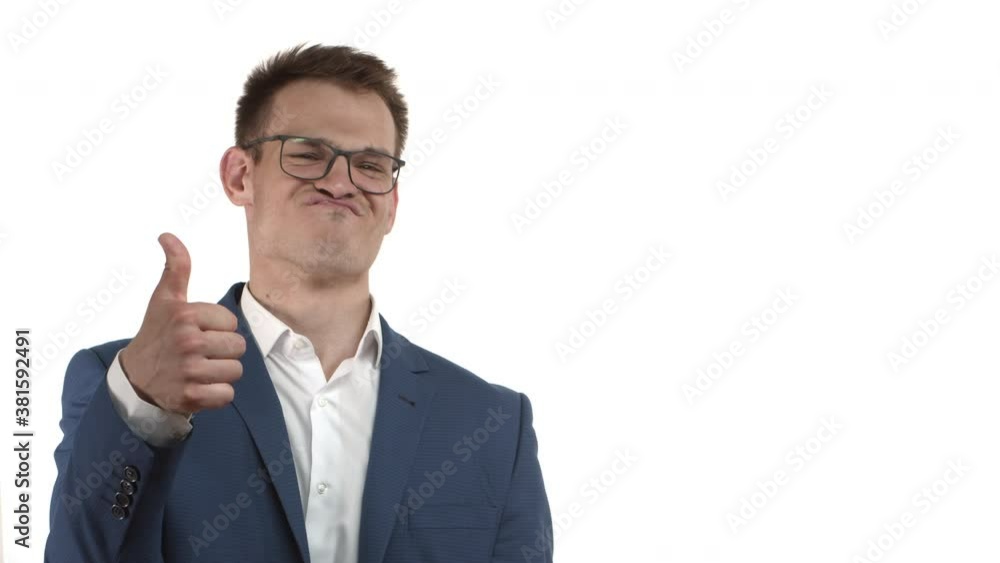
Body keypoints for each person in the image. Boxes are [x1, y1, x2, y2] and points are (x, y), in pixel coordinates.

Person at [44, 43, 552, 563]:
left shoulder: (493, 423)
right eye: (308, 154)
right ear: (240, 176)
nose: (341, 182)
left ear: (392, 203)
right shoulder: (124, 384)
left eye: (370, 165)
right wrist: (144, 412)